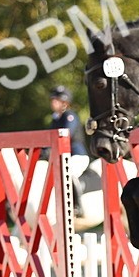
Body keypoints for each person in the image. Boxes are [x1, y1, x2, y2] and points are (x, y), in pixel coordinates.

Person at [49, 85, 91, 214]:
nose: (53, 102)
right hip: (62, 156)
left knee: (68, 172)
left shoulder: (70, 116)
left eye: (56, 100)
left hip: (77, 156)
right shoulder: (55, 118)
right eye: (53, 100)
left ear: (64, 103)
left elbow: (67, 135)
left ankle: (77, 205)